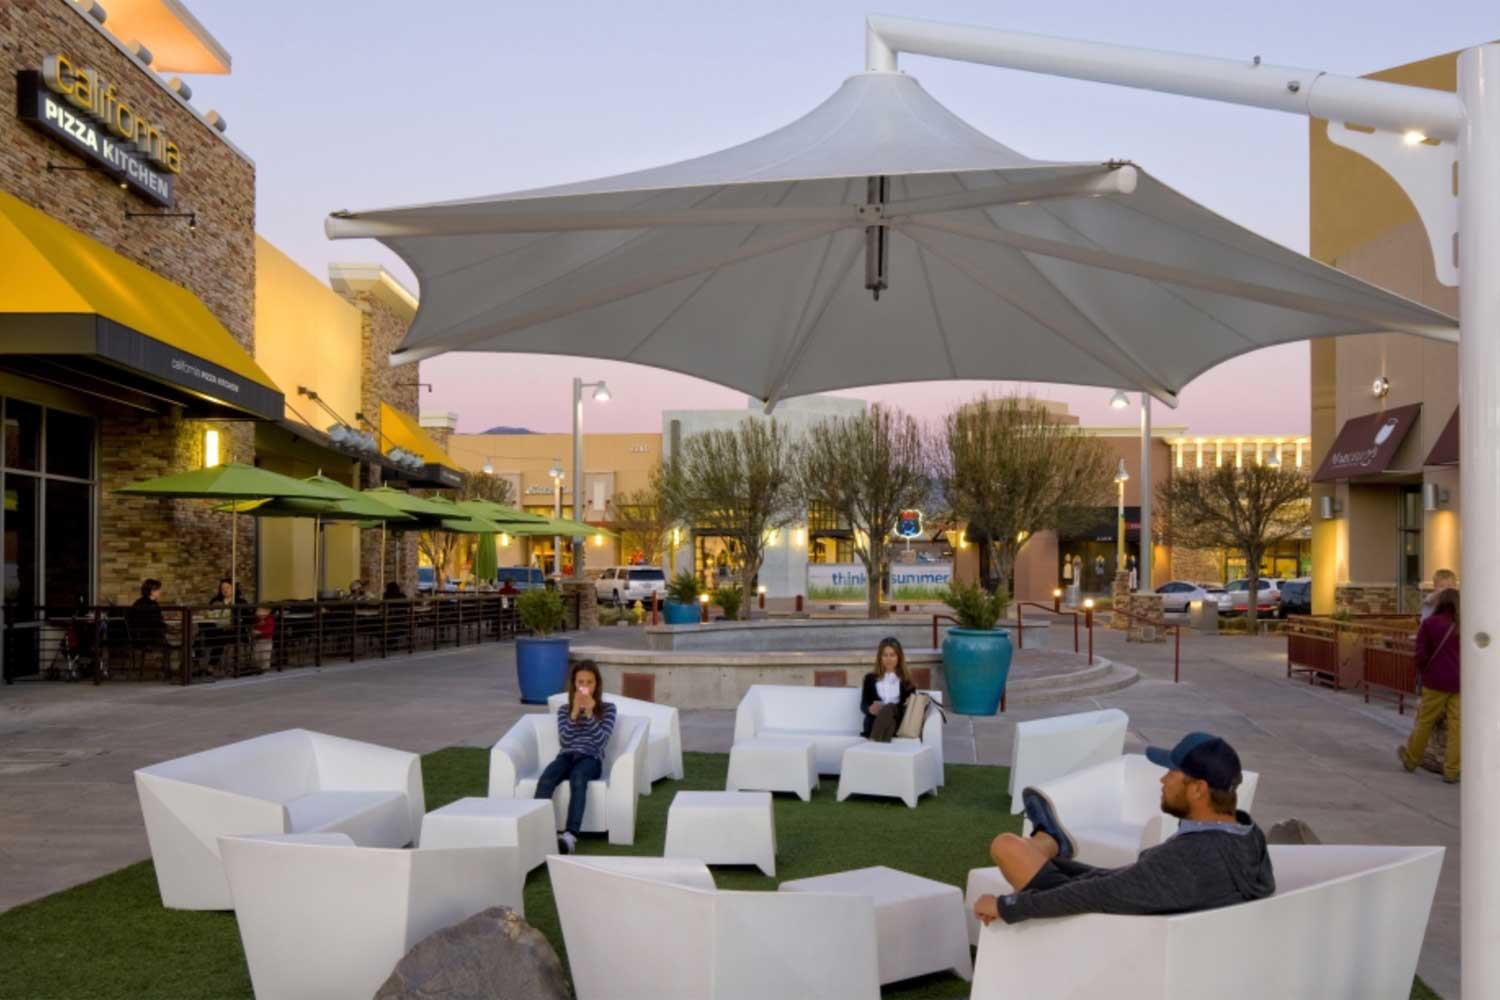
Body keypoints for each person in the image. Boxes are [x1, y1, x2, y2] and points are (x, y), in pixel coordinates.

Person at [972, 732, 1275, 927]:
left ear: (1198, 789)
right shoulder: (1247, 837)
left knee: (1007, 846)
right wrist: (1073, 870)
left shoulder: (1191, 857)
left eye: (1171, 773)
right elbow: (1131, 882)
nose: (1162, 780)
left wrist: (1006, 905)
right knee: (1049, 860)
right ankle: (1050, 845)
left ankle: (1048, 841)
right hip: (1135, 912)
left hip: (1103, 931)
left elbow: (1098, 894)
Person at [536, 660, 617, 854]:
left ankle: (570, 836)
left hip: (591, 759)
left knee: (578, 778)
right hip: (566, 755)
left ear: (596, 684)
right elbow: (565, 740)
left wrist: (589, 714)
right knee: (547, 778)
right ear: (574, 684)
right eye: (581, 682)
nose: (585, 686)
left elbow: (601, 742)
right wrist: (573, 714)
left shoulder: (608, 709)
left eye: (590, 682)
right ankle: (536, 830)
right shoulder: (564, 710)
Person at [1399, 588, 1461, 783]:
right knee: (1457, 726)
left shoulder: (1430, 624)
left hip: (1435, 681)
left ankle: (1412, 758)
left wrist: (1424, 670)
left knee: (1425, 721)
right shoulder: (1463, 626)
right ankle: (1452, 770)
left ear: (1440, 602)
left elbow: (1421, 655)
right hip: (1459, 682)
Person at [860, 637, 915, 739]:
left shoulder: (906, 681)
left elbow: (908, 709)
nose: (888, 659)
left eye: (892, 655)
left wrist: (891, 709)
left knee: (890, 709)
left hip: (896, 724)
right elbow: (863, 705)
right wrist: (870, 709)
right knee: (885, 711)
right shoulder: (870, 679)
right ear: (880, 657)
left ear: (899, 657)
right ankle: (878, 736)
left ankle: (876, 738)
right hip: (873, 722)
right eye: (885, 655)